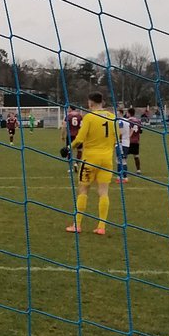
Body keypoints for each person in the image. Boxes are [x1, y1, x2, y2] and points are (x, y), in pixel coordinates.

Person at [66, 92, 117, 235]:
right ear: (103, 102)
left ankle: (77, 224)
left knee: (83, 190)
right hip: (107, 159)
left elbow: (80, 138)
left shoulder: (89, 117)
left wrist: (68, 148)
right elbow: (116, 138)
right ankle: (101, 227)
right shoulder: (113, 117)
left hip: (90, 159)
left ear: (90, 103)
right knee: (103, 192)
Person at [116, 107, 130, 183]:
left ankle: (124, 177)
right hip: (126, 143)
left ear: (120, 113)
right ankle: (120, 176)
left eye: (117, 113)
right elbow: (131, 129)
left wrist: (119, 140)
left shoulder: (120, 121)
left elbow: (120, 132)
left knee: (121, 160)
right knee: (121, 160)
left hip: (121, 143)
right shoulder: (127, 121)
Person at [126, 107, 143, 173]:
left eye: (127, 113)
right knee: (136, 156)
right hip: (136, 141)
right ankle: (138, 170)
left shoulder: (127, 121)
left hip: (128, 140)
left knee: (124, 156)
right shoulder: (138, 121)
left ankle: (124, 170)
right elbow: (141, 131)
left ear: (129, 113)